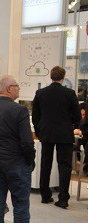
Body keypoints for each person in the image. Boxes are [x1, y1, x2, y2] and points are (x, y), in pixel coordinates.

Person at [0, 75, 35, 223]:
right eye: (17, 86)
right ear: (9, 89)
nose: (19, 89)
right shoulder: (20, 111)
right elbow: (27, 142)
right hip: (17, 164)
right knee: (21, 204)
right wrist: (30, 160)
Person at [32, 66, 81, 209]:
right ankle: (63, 198)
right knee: (64, 166)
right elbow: (77, 116)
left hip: (46, 133)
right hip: (64, 134)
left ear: (51, 77)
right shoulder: (70, 93)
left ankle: (45, 195)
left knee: (45, 163)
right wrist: (70, 126)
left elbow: (35, 116)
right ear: (63, 77)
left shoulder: (40, 93)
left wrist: (39, 131)